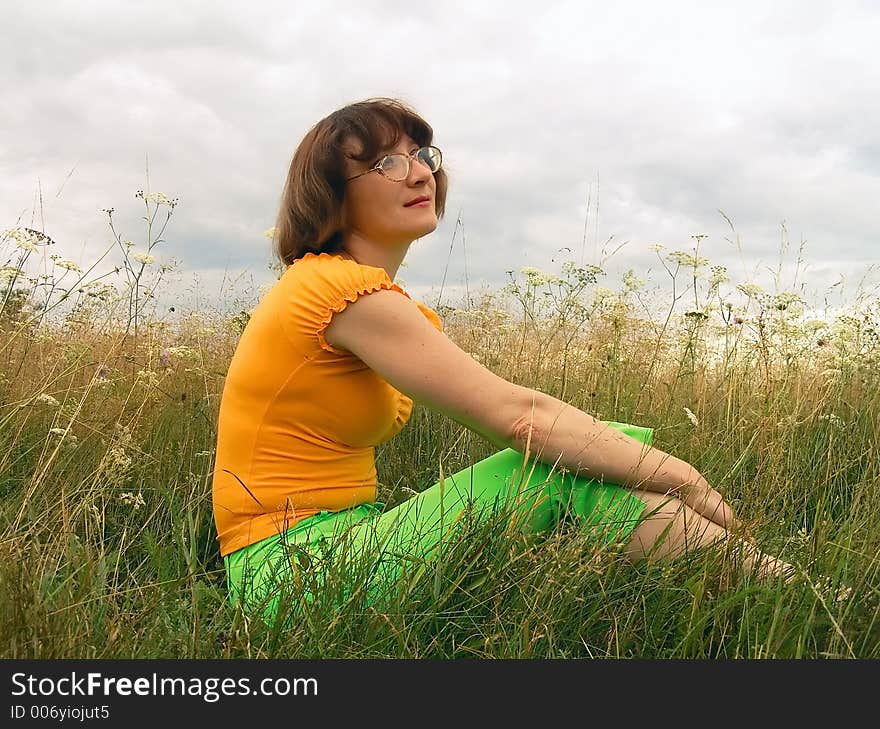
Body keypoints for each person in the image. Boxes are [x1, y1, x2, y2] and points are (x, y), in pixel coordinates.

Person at [211, 97, 798, 625]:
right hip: (290, 576)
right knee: (563, 470)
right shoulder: (335, 291)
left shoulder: (370, 299)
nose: (421, 171)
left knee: (596, 466)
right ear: (331, 194)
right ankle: (794, 599)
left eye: (423, 154)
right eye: (386, 162)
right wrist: (686, 477)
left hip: (336, 546)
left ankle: (777, 600)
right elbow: (523, 416)